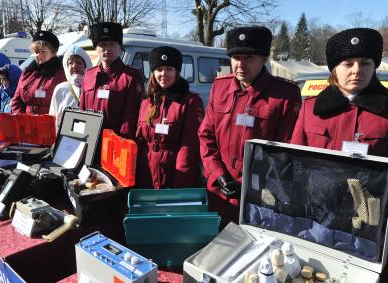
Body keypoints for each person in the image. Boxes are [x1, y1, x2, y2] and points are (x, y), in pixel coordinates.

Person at [198, 26, 302, 227]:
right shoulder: (220, 88)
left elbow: (286, 151)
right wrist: (216, 173)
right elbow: (206, 136)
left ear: (264, 59)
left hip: (263, 197)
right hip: (221, 191)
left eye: (248, 58)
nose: (240, 65)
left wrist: (255, 186)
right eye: (236, 58)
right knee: (221, 249)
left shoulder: (284, 95)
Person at [291, 28, 388, 157]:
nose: (357, 70)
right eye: (348, 64)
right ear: (334, 70)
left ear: (374, 67)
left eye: (365, 63)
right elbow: (295, 160)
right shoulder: (310, 108)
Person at [136, 46, 205, 189]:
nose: (164, 74)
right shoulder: (146, 102)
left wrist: (180, 185)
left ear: (177, 72)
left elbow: (190, 147)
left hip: (174, 176)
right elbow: (140, 140)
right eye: (159, 69)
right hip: (146, 175)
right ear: (153, 72)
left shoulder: (190, 102)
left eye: (169, 69)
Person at [79, 22, 143, 139]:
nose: (107, 49)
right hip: (90, 141)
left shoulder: (131, 77)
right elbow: (82, 111)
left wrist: (122, 143)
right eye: (102, 44)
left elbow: (131, 117)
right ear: (95, 48)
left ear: (119, 47)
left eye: (112, 44)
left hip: (115, 144)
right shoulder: (88, 74)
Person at [11, 30, 66, 114]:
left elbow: (63, 104)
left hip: (49, 124)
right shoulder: (27, 72)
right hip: (26, 124)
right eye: (36, 51)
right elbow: (16, 101)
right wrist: (23, 119)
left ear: (53, 53)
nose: (39, 55)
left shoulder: (60, 73)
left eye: (43, 51)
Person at [49, 45, 92, 130]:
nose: (74, 66)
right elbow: (53, 116)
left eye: (79, 63)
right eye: (70, 63)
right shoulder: (61, 89)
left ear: (86, 65)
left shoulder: (93, 87)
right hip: (65, 137)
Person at [0, 64, 22, 141]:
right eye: (1, 79)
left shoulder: (21, 95)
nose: (1, 82)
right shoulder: (3, 92)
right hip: (3, 139)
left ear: (12, 79)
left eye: (4, 79)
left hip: (16, 141)